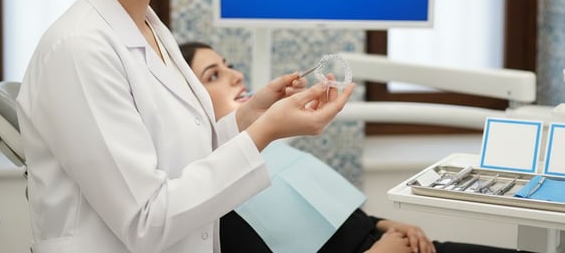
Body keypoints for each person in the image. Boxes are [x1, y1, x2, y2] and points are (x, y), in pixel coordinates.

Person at [15, 0, 354, 253]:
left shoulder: (152, 30)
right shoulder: (78, 49)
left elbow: (183, 154)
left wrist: (250, 116)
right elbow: (147, 222)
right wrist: (267, 132)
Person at [181, 42, 530, 253]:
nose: (236, 75)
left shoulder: (271, 147)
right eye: (213, 75)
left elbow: (332, 219)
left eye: (228, 65)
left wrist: (386, 225)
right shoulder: (211, 193)